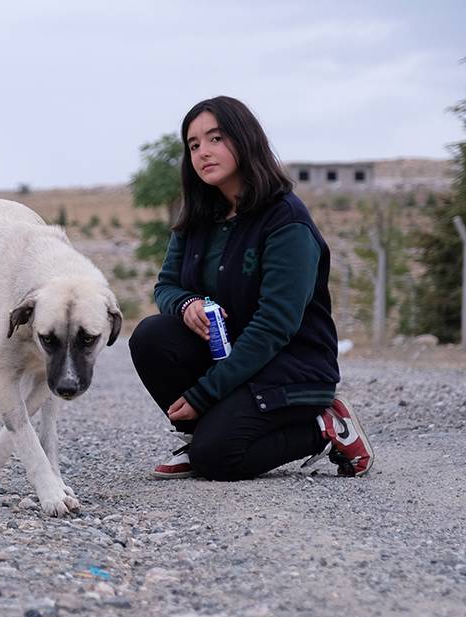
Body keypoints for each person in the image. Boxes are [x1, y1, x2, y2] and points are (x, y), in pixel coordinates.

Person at [128, 96, 374, 481]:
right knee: (150, 336)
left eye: (215, 139)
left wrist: (203, 395)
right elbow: (166, 286)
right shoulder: (197, 218)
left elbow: (275, 325)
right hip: (232, 359)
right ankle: (210, 435)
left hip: (289, 368)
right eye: (193, 145)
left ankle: (324, 426)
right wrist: (186, 303)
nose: (203, 153)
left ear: (245, 140)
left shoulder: (285, 220)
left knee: (217, 460)